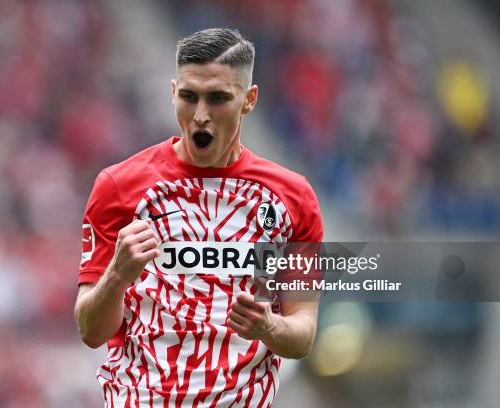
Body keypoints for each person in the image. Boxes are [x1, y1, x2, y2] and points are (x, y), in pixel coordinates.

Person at [74, 28, 323, 407]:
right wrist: (116, 277)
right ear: (173, 93)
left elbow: (303, 335)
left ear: (249, 100)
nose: (201, 115)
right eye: (189, 97)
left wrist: (268, 326)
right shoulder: (119, 186)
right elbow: (91, 330)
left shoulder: (294, 198)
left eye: (218, 98)